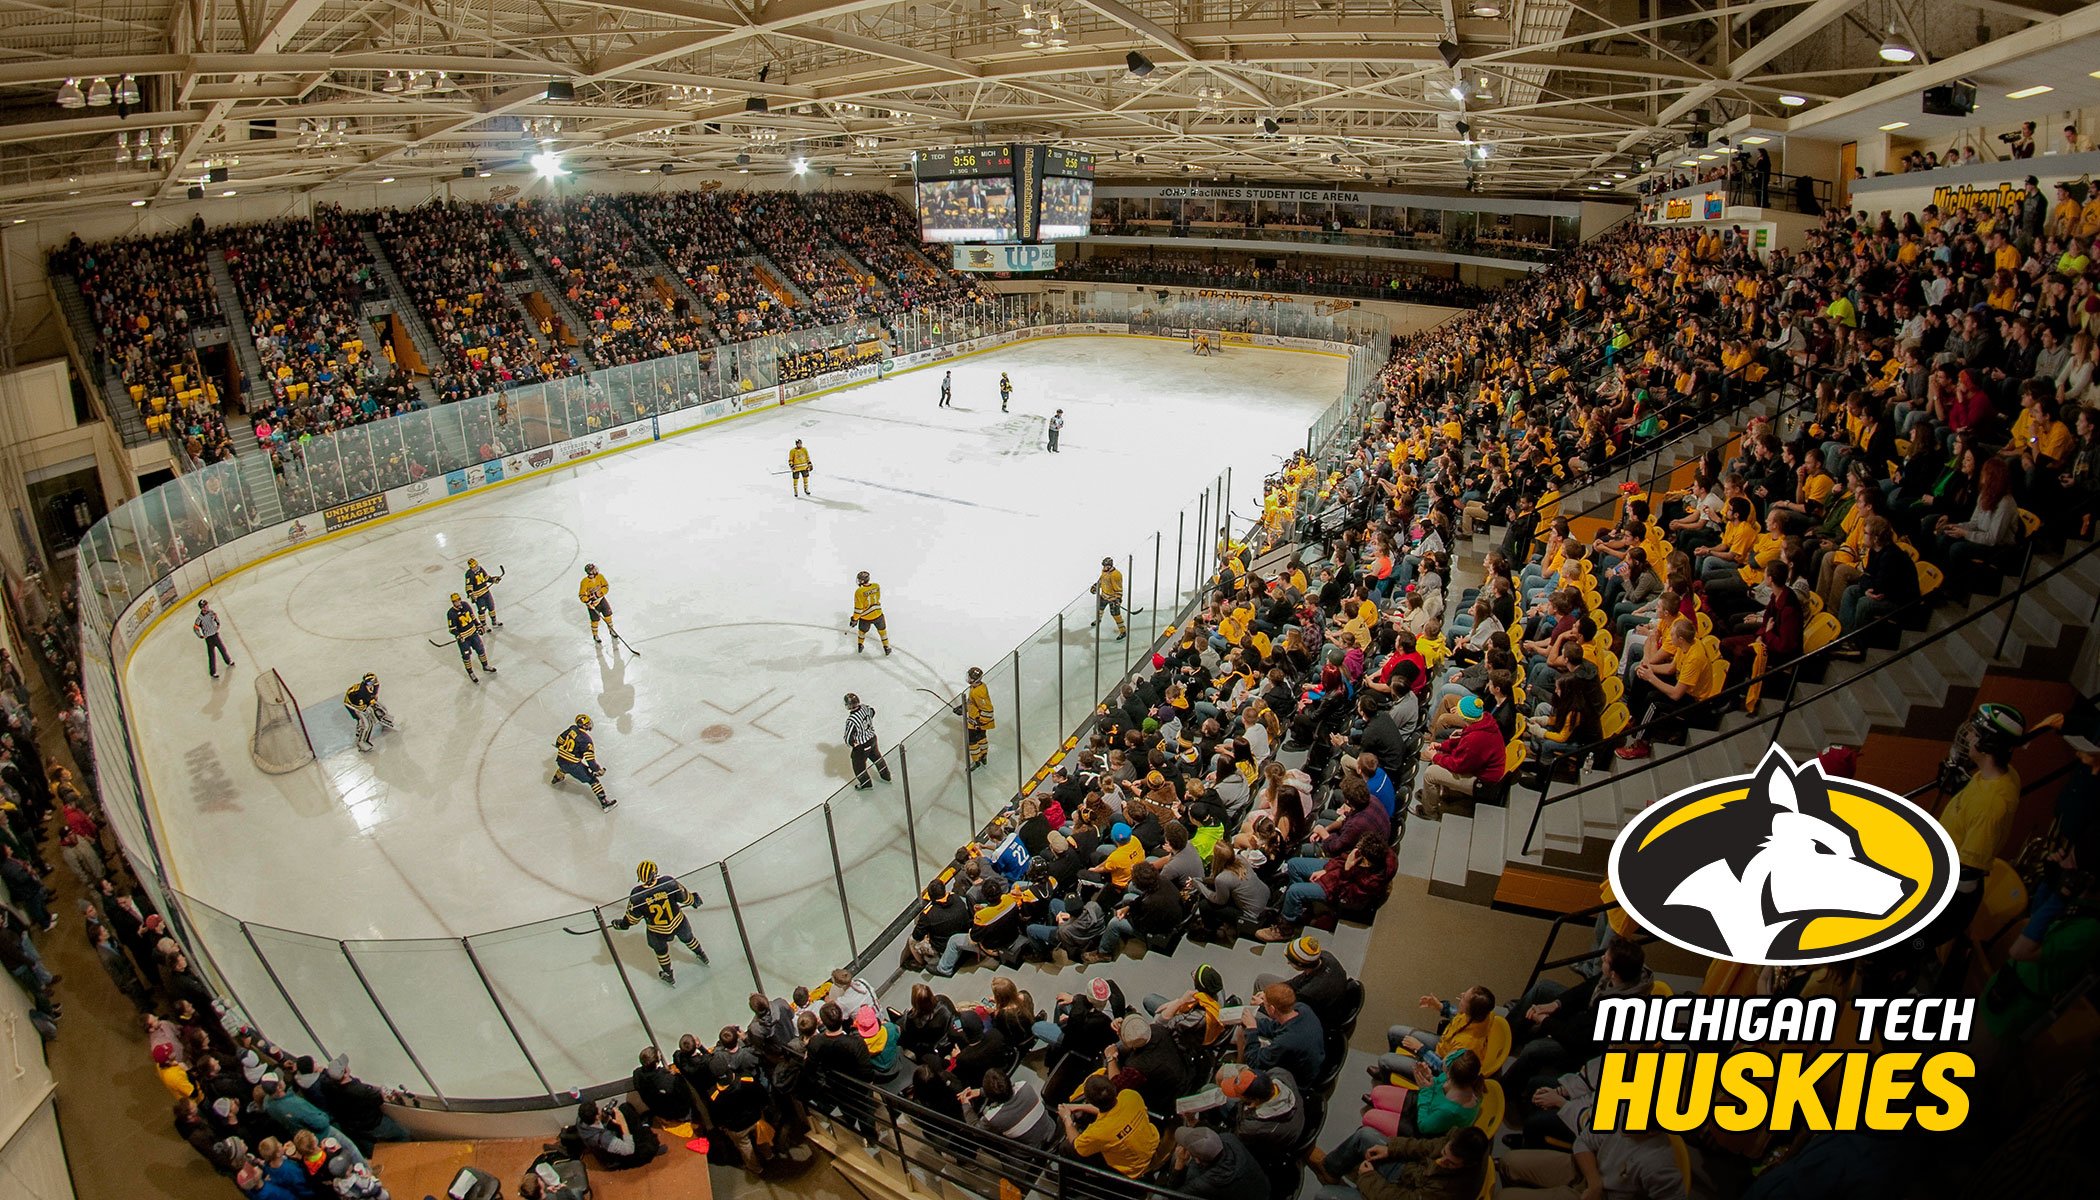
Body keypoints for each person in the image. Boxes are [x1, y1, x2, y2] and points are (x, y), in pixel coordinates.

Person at [1308, 1126, 1489, 1200]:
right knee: (1365, 1135)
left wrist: (1368, 1178)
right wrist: (1391, 1149)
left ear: (1467, 1165)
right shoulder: (1459, 1140)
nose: (1442, 1161)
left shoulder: (1449, 1191)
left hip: (1406, 1192)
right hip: (1411, 1173)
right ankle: (1329, 1171)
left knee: (1324, 1196)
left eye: (1449, 1163)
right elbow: (1424, 1146)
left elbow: (1401, 1199)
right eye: (1443, 1154)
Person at [611, 860, 709, 984]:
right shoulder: (668, 882)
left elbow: (632, 918)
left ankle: (668, 974)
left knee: (661, 952)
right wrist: (694, 901)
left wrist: (622, 924)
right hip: (678, 922)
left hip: (657, 931)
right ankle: (701, 954)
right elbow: (685, 897)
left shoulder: (637, 895)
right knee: (689, 939)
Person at [1059, 1075, 1159, 1178]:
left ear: (1091, 1101)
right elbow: (1110, 1110)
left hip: (1134, 1170)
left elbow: (1076, 1145)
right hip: (1152, 1146)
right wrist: (1078, 1107)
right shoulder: (1130, 1095)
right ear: (1114, 1088)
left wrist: (1066, 1117)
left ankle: (1072, 1184)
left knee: (1066, 1148)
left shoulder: (1098, 1132)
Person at [1237, 982, 1326, 1083]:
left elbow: (1255, 1062)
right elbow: (1275, 1027)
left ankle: (1240, 1068)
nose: (1262, 1005)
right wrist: (1253, 1022)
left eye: (1264, 1003)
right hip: (1308, 1060)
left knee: (1223, 1074)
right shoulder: (1302, 1009)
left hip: (1294, 1079)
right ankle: (1240, 1062)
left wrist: (1251, 1028)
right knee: (1243, 1030)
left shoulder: (1286, 1041)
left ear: (1272, 1009)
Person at [1161, 1126, 1267, 1200]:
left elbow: (1173, 1195)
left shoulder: (1204, 1183)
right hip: (1263, 1189)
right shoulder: (1230, 1139)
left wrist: (1179, 1164)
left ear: (1197, 1159)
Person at [572, 1097, 661, 1169]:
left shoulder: (581, 1119)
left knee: (625, 1108)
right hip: (615, 1158)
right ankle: (645, 1129)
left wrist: (604, 1117)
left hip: (605, 1134)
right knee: (649, 1147)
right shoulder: (605, 1139)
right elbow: (629, 1149)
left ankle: (642, 1128)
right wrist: (622, 1123)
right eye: (598, 1110)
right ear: (596, 1117)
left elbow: (599, 1124)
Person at [551, 713, 613, 811]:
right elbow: (590, 760)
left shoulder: (572, 729)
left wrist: (560, 747)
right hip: (573, 765)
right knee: (593, 780)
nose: (589, 725)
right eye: (588, 723)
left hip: (560, 759)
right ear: (584, 726)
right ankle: (605, 803)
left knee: (563, 767)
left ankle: (556, 778)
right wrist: (597, 770)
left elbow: (559, 739)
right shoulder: (586, 740)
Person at [843, 692, 893, 789]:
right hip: (872, 739)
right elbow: (872, 711)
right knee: (877, 758)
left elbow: (848, 737)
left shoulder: (852, 720)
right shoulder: (865, 708)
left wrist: (853, 744)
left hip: (862, 745)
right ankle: (886, 776)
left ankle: (866, 784)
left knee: (858, 766)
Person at [444, 593, 496, 683]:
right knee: (466, 656)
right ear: (453, 603)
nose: (458, 602)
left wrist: (478, 625)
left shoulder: (465, 605)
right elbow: (452, 629)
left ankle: (485, 666)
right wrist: (458, 635)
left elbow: (472, 617)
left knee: (481, 650)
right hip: (464, 638)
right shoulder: (451, 613)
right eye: (455, 601)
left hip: (473, 634)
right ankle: (471, 672)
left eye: (458, 600)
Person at [631, 1045, 691, 1121]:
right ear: (656, 1063)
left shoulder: (637, 1074)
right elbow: (686, 1095)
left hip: (658, 1110)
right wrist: (677, 1076)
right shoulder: (671, 1080)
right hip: (678, 1113)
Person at [340, 673, 391, 753]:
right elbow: (362, 708)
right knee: (367, 724)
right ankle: (361, 741)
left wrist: (376, 706)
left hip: (364, 702)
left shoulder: (375, 685)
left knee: (381, 707)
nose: (373, 684)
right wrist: (373, 714)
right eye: (370, 683)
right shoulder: (360, 693)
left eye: (374, 681)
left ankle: (385, 719)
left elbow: (374, 697)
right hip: (352, 705)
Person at [577, 563, 619, 646]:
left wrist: (599, 594)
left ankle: (611, 630)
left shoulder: (600, 577)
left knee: (608, 616)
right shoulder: (584, 582)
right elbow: (581, 595)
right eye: (593, 569)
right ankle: (595, 635)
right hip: (592, 604)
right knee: (595, 621)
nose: (596, 570)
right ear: (590, 572)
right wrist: (587, 601)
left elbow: (606, 586)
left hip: (601, 600)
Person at [961, 666, 994, 771]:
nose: (968, 678)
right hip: (977, 721)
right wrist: (963, 707)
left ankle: (977, 760)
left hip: (977, 723)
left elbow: (988, 709)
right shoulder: (976, 687)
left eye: (969, 677)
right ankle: (984, 756)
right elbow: (972, 702)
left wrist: (980, 722)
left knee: (972, 742)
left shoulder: (978, 692)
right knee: (981, 739)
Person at [851, 569, 891, 655]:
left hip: (866, 617)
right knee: (882, 631)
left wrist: (854, 619)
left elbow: (858, 609)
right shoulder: (876, 586)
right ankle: (886, 647)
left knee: (862, 632)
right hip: (878, 615)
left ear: (861, 580)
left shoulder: (859, 592)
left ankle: (860, 645)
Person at [192, 600, 235, 680]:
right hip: (209, 639)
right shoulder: (199, 619)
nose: (207, 607)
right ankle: (213, 672)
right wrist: (200, 636)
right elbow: (195, 628)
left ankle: (228, 661)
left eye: (207, 605)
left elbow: (216, 618)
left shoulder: (211, 612)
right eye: (205, 606)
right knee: (212, 655)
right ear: (202, 608)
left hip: (215, 635)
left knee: (222, 649)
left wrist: (218, 624)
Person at [1092, 556, 1128, 640]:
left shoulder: (1116, 575)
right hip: (1104, 596)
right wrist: (1095, 586)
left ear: (1110, 565)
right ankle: (1098, 620)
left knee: (1116, 615)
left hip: (1113, 599)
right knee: (1099, 609)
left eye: (1106, 565)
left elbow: (1118, 588)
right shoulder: (1104, 571)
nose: (1104, 567)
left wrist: (1118, 599)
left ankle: (1123, 631)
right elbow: (1101, 580)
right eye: (1103, 565)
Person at [463, 558, 502, 630]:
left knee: (491, 607)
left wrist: (494, 579)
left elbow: (486, 578)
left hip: (486, 592)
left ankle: (494, 621)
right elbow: (469, 586)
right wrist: (471, 594)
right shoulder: (469, 574)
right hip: (479, 596)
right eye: (473, 567)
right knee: (482, 610)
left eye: (476, 566)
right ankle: (483, 624)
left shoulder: (480, 569)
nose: (475, 568)